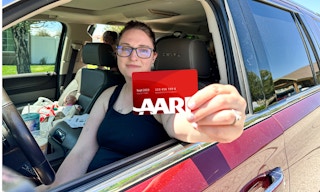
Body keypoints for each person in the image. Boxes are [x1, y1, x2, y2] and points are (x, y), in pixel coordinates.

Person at [49, 20, 246, 188]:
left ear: (153, 57)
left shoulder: (160, 89)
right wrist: (54, 189)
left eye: (143, 50)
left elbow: (176, 122)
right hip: (93, 184)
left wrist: (214, 125)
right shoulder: (109, 94)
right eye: (125, 48)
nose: (133, 56)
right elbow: (82, 151)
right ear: (117, 53)